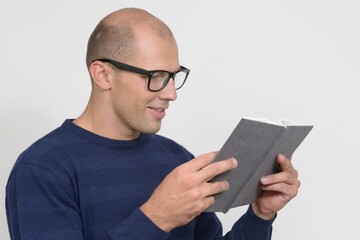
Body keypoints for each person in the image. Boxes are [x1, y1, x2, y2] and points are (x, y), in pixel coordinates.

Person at [6, 7, 301, 240]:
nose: (171, 93)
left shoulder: (176, 158)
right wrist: (157, 218)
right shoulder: (43, 169)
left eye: (173, 76)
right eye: (155, 76)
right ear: (103, 75)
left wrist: (260, 215)